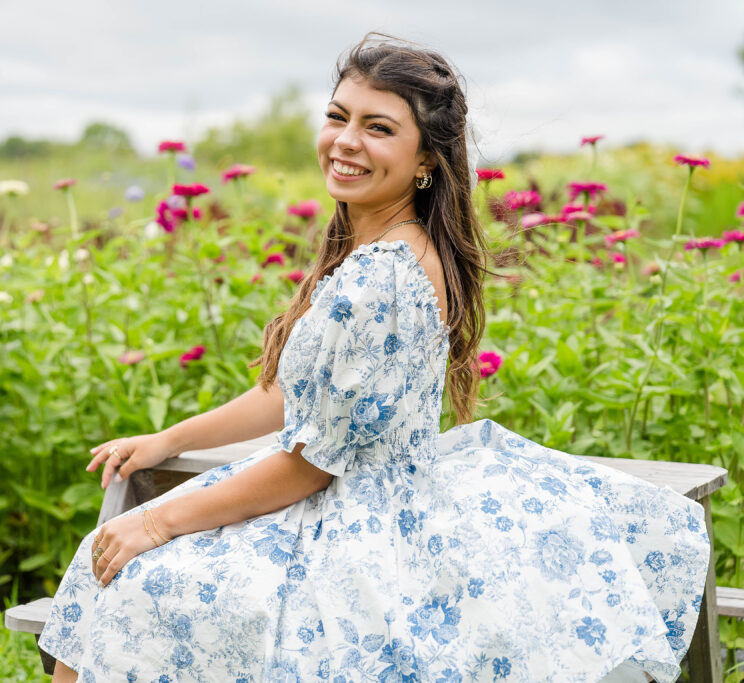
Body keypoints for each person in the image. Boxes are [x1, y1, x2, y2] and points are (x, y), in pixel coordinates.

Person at [39, 32, 710, 682]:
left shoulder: (381, 277)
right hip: (374, 496)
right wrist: (169, 439)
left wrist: (154, 521)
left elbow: (307, 467)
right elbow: (293, 399)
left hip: (358, 525)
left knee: (125, 575)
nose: (346, 141)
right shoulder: (388, 250)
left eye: (379, 127)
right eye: (339, 117)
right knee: (116, 567)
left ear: (426, 160)